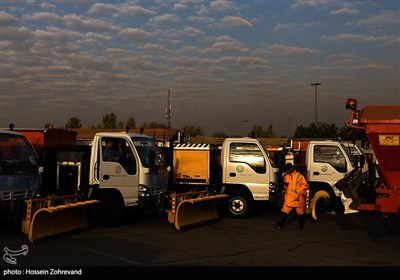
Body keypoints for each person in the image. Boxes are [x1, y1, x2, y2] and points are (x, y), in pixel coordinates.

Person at [273, 163, 309, 230]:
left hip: (297, 198)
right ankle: (280, 225)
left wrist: (298, 192)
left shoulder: (299, 176)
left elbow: (305, 186)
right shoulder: (286, 176)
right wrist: (285, 186)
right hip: (289, 197)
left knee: (300, 212)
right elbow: (287, 186)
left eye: (288, 170)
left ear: (292, 169)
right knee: (285, 211)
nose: (287, 171)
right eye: (286, 170)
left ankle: (301, 226)